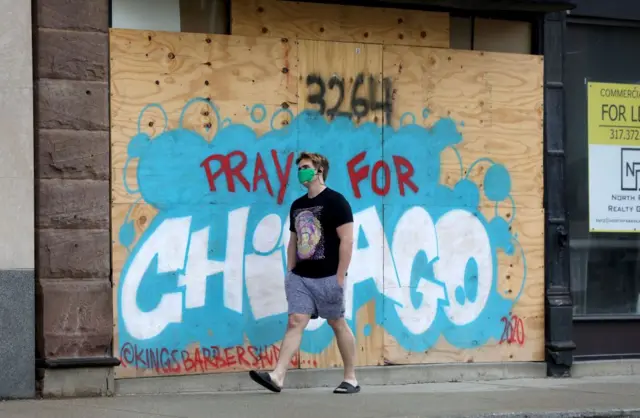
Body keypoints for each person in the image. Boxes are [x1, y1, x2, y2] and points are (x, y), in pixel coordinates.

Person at [249, 151, 359, 394]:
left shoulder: (337, 202)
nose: (301, 172)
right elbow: (293, 241)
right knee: (295, 321)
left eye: (306, 167)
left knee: (337, 322)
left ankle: (351, 378)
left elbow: (347, 241)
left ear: (319, 171)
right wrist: (290, 272)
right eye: (299, 168)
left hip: (329, 277)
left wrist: (340, 276)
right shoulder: (298, 205)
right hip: (301, 278)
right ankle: (278, 376)